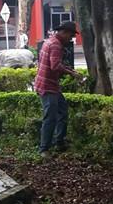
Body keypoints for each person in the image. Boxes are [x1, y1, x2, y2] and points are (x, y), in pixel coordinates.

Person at [34, 21, 85, 157]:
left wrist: (70, 70)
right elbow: (55, 66)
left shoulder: (49, 41)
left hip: (48, 84)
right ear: (64, 32)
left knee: (62, 111)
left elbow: (55, 63)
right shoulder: (56, 45)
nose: (71, 39)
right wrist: (72, 74)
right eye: (71, 35)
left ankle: (59, 142)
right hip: (48, 86)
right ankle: (44, 149)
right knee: (50, 117)